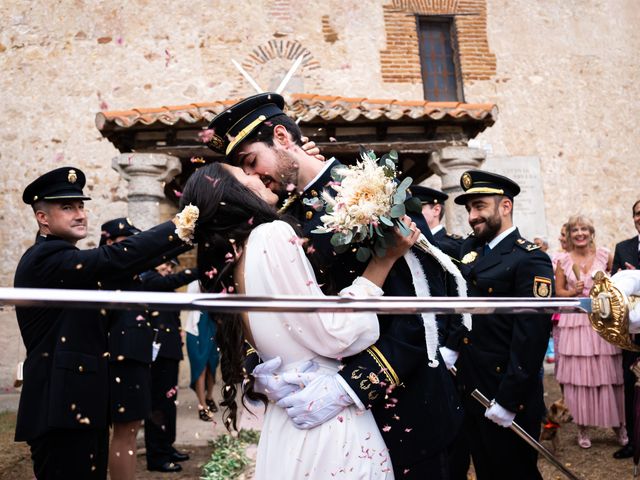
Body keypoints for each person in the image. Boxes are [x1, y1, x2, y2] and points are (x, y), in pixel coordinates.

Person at [205, 92, 466, 479]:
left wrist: (349, 388)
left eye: (251, 162)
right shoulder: (283, 223)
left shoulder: (375, 189)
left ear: (281, 136)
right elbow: (275, 311)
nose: (255, 177)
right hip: (326, 426)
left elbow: (422, 309)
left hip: (408, 404)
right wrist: (265, 367)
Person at [181, 162, 423, 478]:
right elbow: (336, 335)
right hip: (322, 415)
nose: (255, 175)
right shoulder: (271, 235)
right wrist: (380, 264)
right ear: (232, 195)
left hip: (286, 418)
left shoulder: (232, 258)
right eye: (245, 174)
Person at [13, 166, 188, 480]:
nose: (80, 214)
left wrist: (191, 238)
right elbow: (115, 258)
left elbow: (126, 266)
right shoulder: (46, 259)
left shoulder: (69, 261)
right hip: (58, 410)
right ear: (43, 218)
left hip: (82, 404)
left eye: (81, 206)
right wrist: (185, 224)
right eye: (67, 207)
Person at [442, 169, 554, 480]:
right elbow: (462, 306)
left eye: (479, 206)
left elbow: (531, 336)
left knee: (515, 473)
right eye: (469, 209)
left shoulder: (529, 259)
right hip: (471, 384)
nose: (472, 216)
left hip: (505, 390)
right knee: (486, 469)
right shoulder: (470, 250)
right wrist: (451, 348)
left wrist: (509, 400)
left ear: (505, 206)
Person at [554, 214, 626, 449]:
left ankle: (620, 426)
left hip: (602, 321)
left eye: (584, 229)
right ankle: (582, 427)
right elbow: (558, 293)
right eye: (575, 230)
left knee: (609, 374)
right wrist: (572, 291)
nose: (580, 234)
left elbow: (620, 284)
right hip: (575, 322)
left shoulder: (605, 255)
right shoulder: (563, 260)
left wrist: (607, 287)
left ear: (591, 232)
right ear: (569, 234)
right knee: (580, 377)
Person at [99, 218, 152, 480]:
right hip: (124, 359)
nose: (133, 248)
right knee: (125, 431)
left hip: (134, 358)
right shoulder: (113, 270)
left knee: (130, 431)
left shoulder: (130, 273)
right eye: (126, 242)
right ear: (109, 243)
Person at [141, 259, 198, 473]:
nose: (168, 268)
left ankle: (166, 445)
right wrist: (201, 270)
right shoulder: (149, 280)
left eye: (171, 266)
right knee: (158, 404)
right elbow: (175, 280)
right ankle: (156, 455)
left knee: (168, 402)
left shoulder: (163, 284)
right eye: (164, 264)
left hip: (169, 352)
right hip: (157, 356)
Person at [611, 200, 640, 459]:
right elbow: (612, 290)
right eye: (638, 213)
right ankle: (633, 441)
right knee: (631, 387)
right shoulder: (623, 248)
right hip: (632, 335)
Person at [185, 280, 219, 422]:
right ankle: (202, 405)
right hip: (196, 329)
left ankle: (209, 396)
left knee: (212, 365)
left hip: (212, 327)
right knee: (200, 367)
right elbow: (190, 301)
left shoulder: (217, 281)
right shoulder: (193, 284)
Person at [411, 184, 464, 258]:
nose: (411, 213)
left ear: (436, 210)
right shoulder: (411, 241)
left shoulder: (454, 245)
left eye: (417, 208)